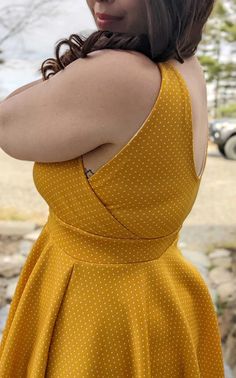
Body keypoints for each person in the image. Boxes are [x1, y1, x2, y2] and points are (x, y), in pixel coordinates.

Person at [0, 0, 225, 376]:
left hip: (95, 313)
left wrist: (87, 58)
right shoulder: (185, 67)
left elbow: (8, 126)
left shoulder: (121, 74)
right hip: (159, 291)